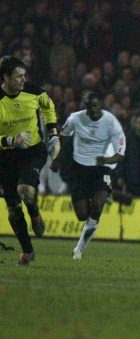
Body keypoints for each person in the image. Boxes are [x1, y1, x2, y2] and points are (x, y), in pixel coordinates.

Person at [51, 92, 126, 260]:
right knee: (82, 215)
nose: (92, 109)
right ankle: (102, 196)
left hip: (101, 168)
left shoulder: (111, 122)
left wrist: (106, 159)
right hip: (80, 169)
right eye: (88, 105)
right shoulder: (75, 119)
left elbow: (120, 155)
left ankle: (79, 249)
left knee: (97, 206)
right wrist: (56, 159)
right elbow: (63, 136)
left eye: (95, 105)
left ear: (101, 105)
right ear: (84, 106)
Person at [0, 55, 59, 266]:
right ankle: (27, 251)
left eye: (24, 75)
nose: (23, 79)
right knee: (13, 208)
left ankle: (34, 214)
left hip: (32, 151)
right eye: (18, 76)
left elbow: (48, 107)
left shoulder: (34, 90)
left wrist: (53, 133)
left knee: (25, 189)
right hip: (5, 157)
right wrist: (9, 140)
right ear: (6, 78)